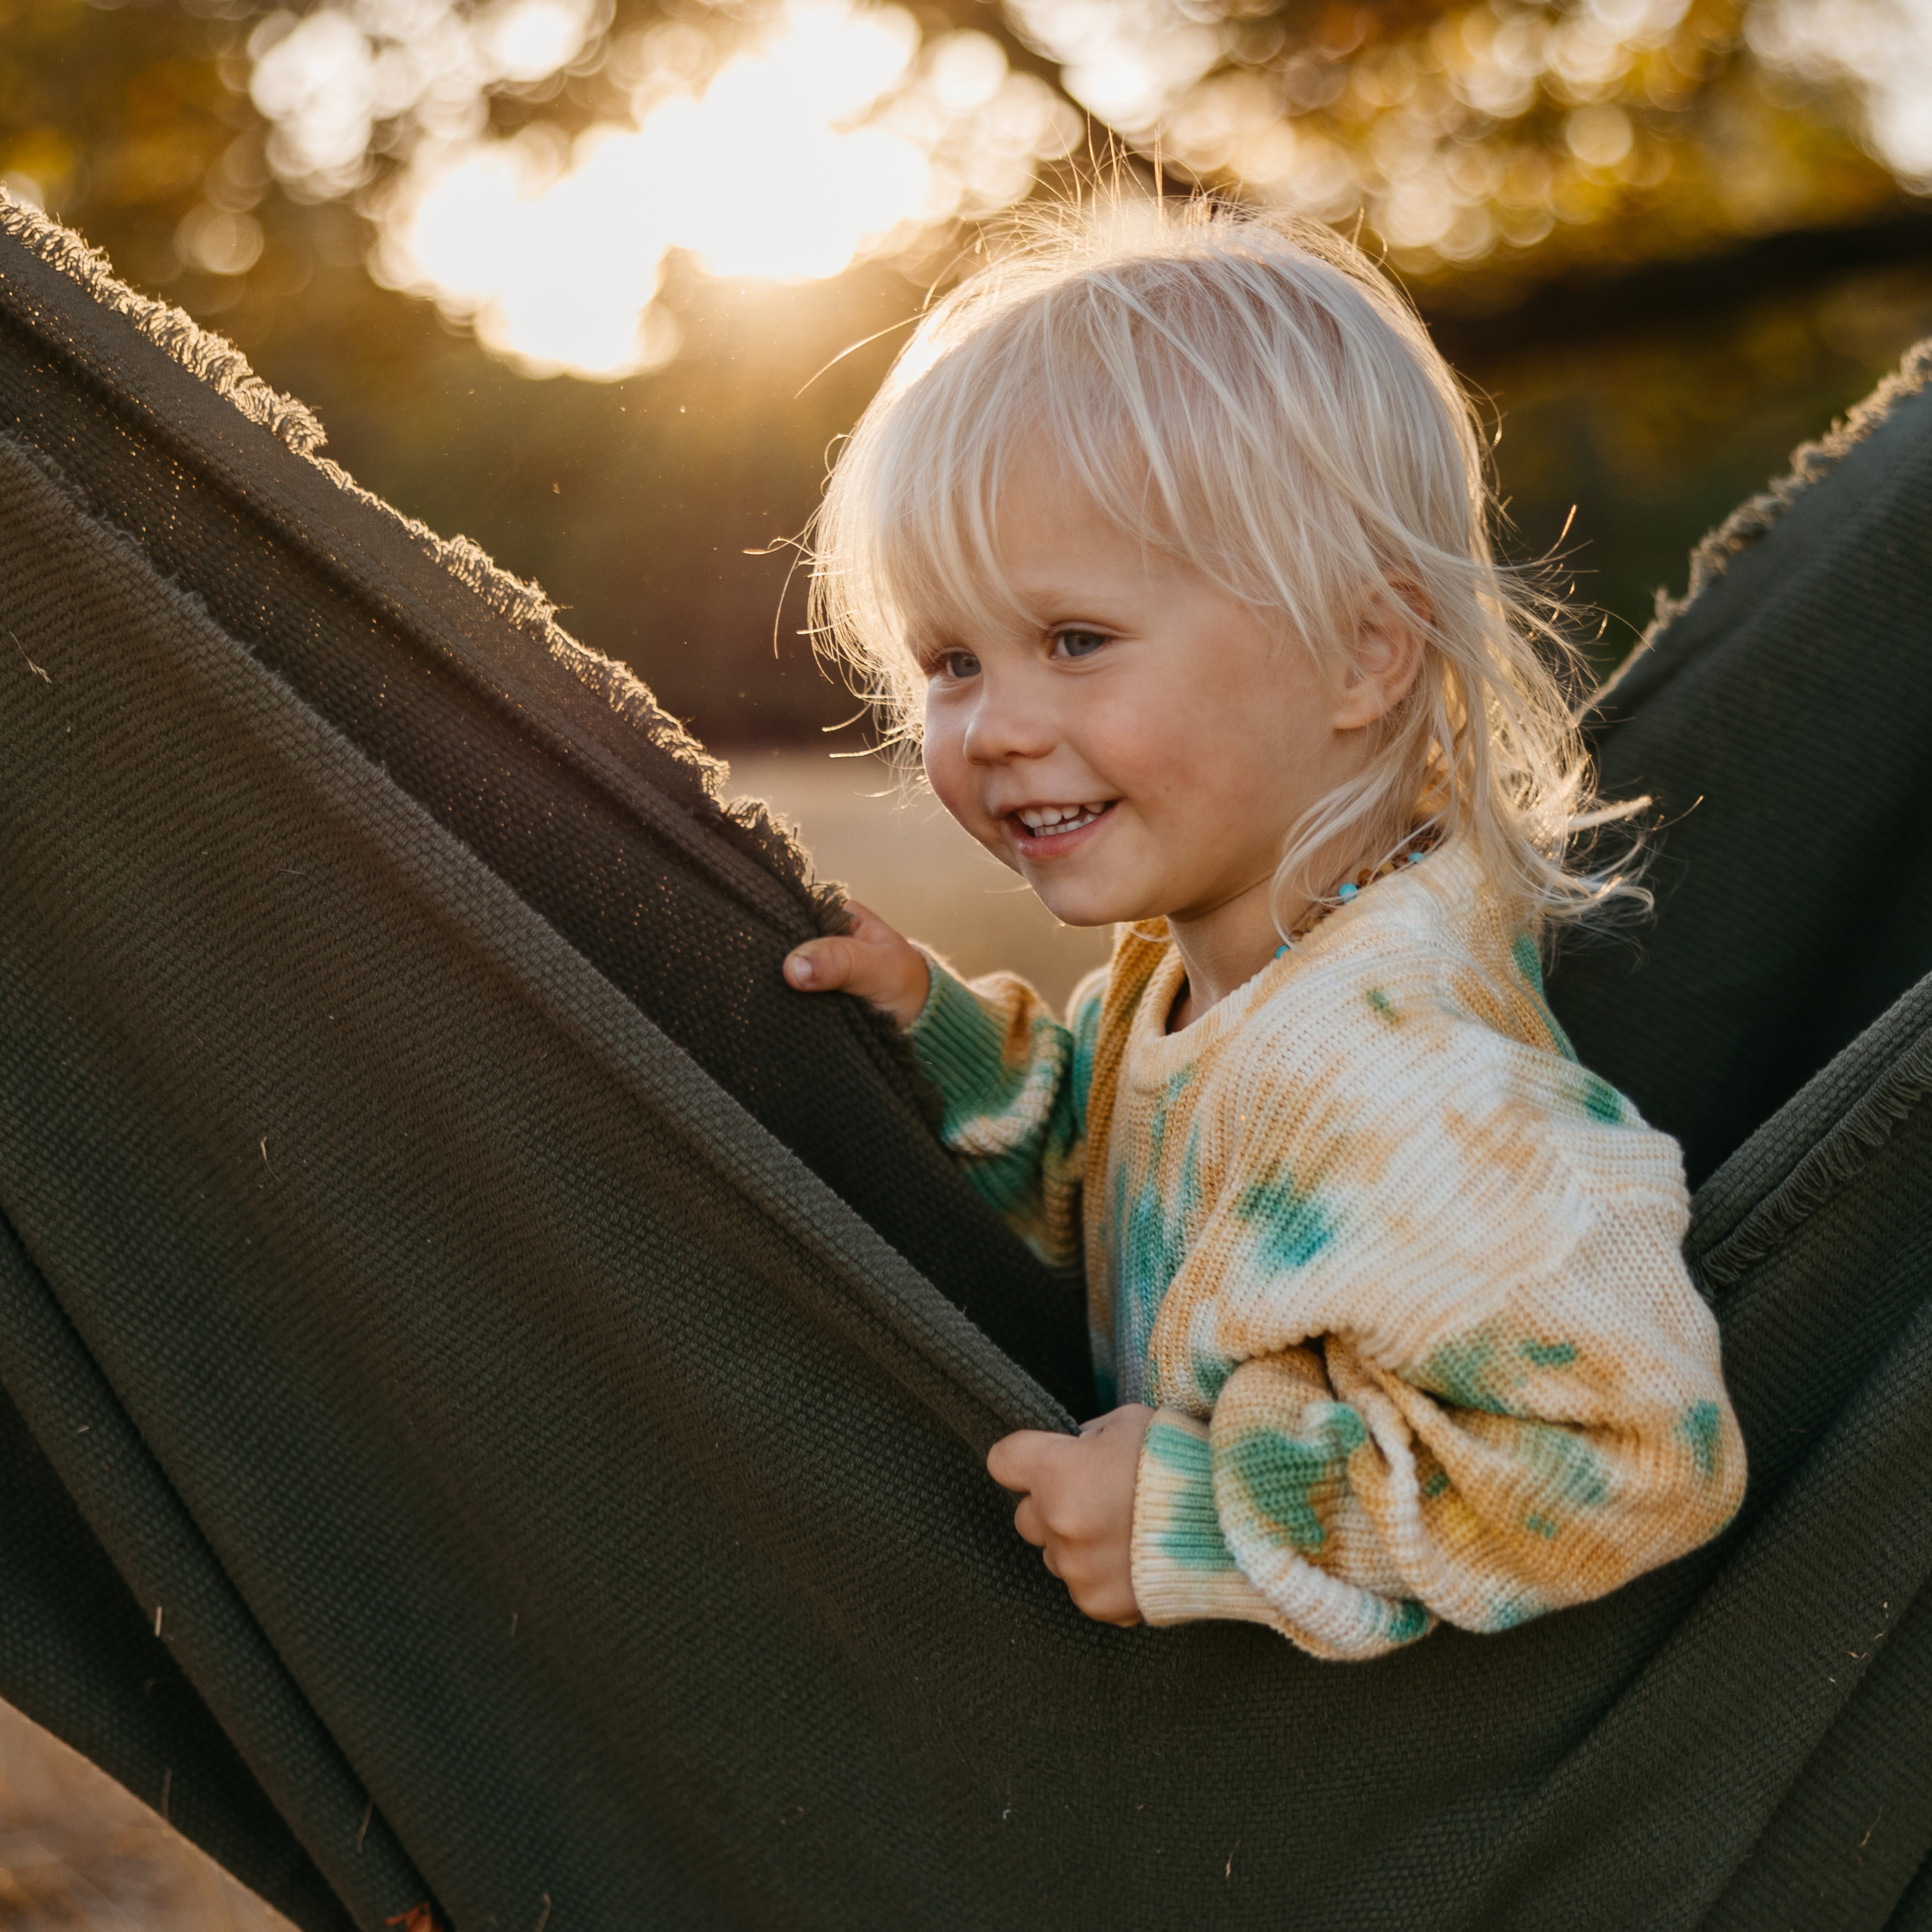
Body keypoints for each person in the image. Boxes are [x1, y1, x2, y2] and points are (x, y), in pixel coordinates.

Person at [781, 199, 1744, 1660]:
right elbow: (1100, 1174)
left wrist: (1209, 1510)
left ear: (1362, 652)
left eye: (1076, 641)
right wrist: (943, 1030)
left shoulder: (1405, 1086)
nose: (996, 729)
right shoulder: (1199, 969)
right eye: (952, 660)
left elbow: (1640, 1459)